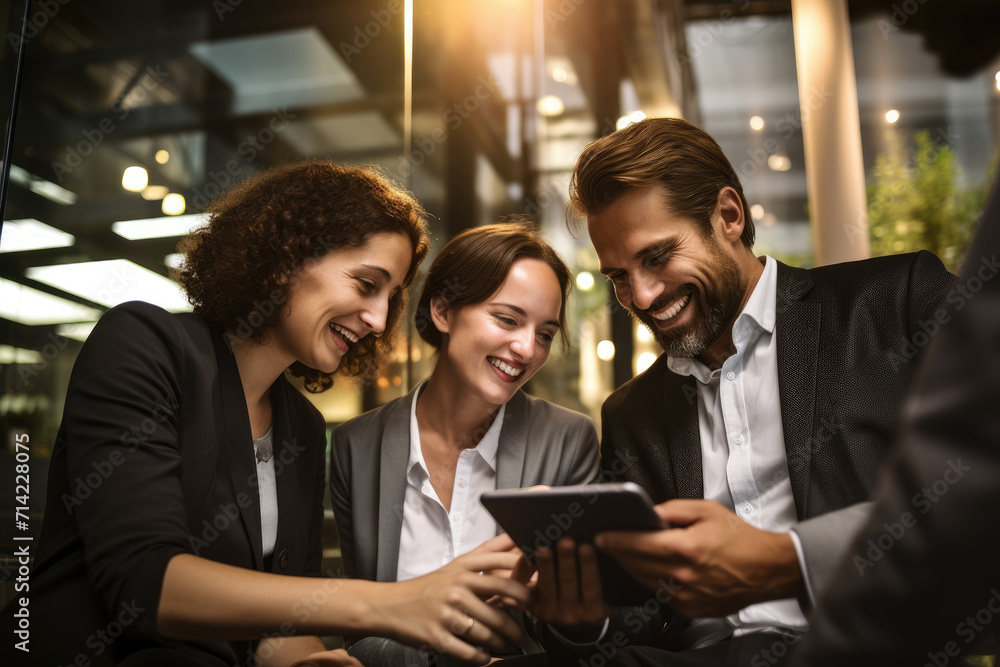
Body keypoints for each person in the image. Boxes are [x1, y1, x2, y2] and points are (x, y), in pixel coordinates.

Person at [4, 163, 530, 667]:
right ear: (286, 258)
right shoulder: (146, 345)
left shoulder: (300, 425)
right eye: (367, 285)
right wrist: (393, 602)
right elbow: (146, 584)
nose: (377, 319)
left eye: (391, 298)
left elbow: (275, 629)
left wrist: (316, 661)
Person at [522, 117, 957, 664]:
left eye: (657, 257)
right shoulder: (633, 414)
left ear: (729, 215)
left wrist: (789, 559)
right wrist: (582, 621)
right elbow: (636, 623)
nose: (643, 296)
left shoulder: (895, 306)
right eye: (618, 277)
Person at [330, 221, 602, 665]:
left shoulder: (568, 440)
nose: (526, 348)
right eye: (507, 319)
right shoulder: (356, 446)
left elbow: (574, 635)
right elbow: (359, 628)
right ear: (442, 311)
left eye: (545, 334)